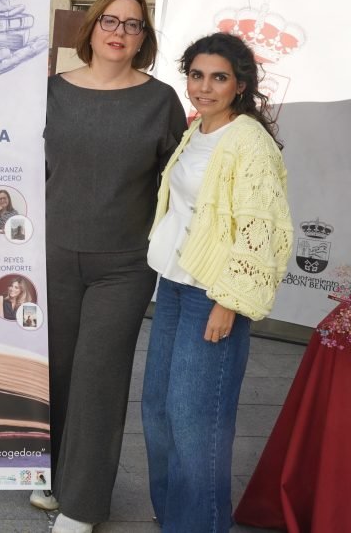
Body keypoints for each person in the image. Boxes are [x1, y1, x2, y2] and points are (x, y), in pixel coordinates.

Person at [36, 0, 187, 533]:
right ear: (92, 27)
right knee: (55, 371)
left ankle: (82, 506)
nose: (119, 32)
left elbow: (178, 183)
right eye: (110, 21)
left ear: (144, 38)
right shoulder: (50, 92)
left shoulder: (160, 101)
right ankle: (52, 475)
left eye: (133, 24)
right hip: (52, 255)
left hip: (124, 265)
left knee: (99, 378)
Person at [142, 32, 292, 532]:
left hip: (211, 294)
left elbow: (262, 230)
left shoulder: (249, 142)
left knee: (195, 422)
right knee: (158, 412)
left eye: (218, 77)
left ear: (240, 84)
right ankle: (173, 518)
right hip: (173, 287)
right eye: (196, 75)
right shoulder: (197, 131)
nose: (204, 87)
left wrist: (228, 301)